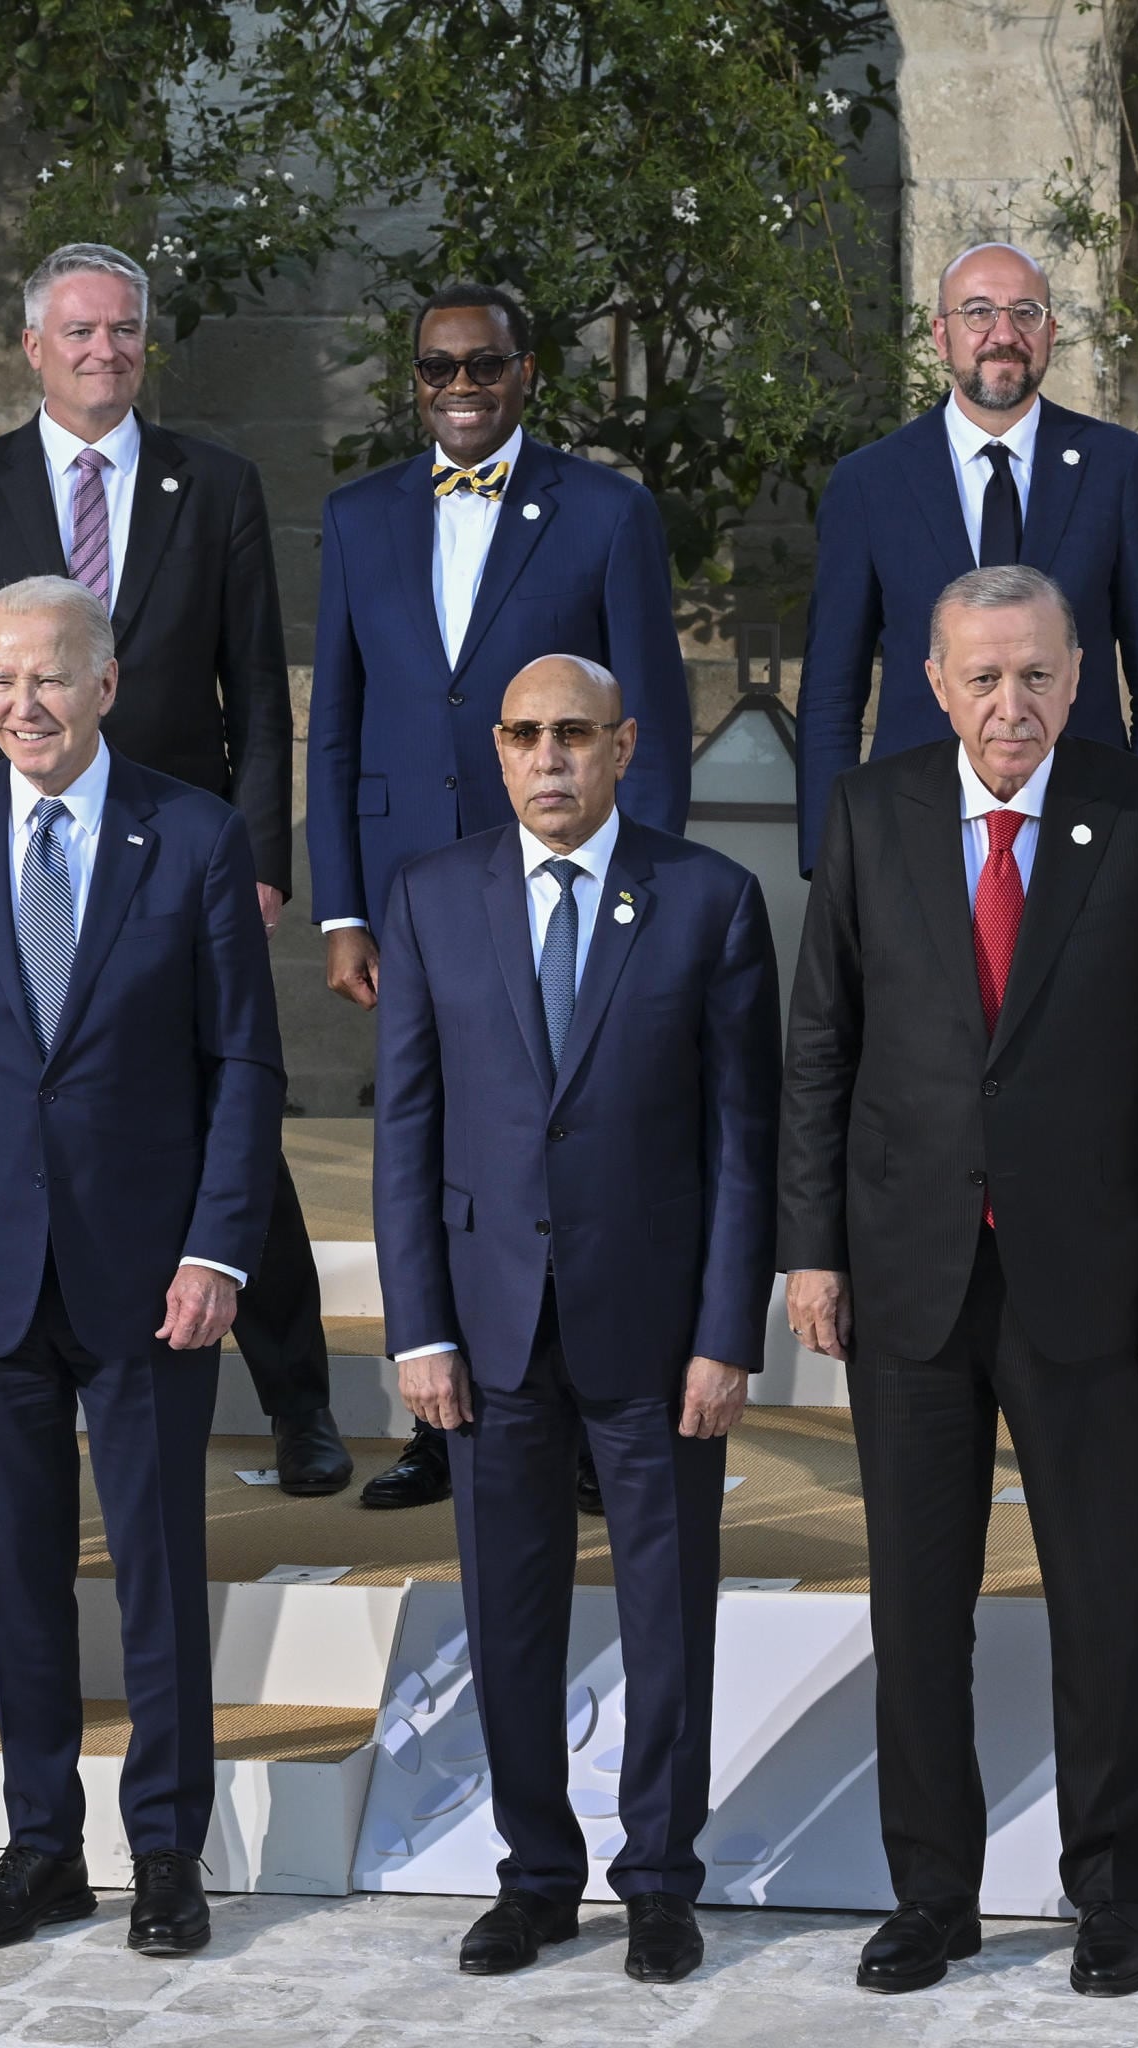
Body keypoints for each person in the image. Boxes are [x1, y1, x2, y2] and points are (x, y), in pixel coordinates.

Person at [780, 565, 1138, 2000]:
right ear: (936, 682)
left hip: (1090, 1277)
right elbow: (822, 1047)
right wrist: (814, 1243)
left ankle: (1113, 1898)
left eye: (1037, 676)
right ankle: (932, 1897)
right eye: (983, 676)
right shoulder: (869, 812)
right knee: (919, 1605)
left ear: (1078, 680)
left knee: (1105, 1600)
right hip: (908, 1271)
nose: (1010, 704)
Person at [0, 574, 283, 1960]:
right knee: (14, 1573)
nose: (22, 704)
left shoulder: (198, 836)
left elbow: (242, 1068)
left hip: (151, 1272)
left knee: (158, 1570)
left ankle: (166, 1853)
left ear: (106, 682)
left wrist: (221, 1246)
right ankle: (41, 1844)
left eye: (48, 676)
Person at [0, 240, 348, 1499]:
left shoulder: (218, 486)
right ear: (32, 348)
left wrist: (258, 855)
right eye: (78, 333)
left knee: (221, 1121)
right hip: (12, 864)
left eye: (124, 332)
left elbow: (256, 685)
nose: (104, 352)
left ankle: (298, 1393)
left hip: (178, 869)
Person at [372, 655, 780, 1985]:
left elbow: (741, 1141)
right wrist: (418, 1330)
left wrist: (729, 1335)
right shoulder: (435, 900)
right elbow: (408, 1135)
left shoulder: (708, 900)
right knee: (509, 1615)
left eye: (576, 736)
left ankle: (660, 1878)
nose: (550, 758)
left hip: (658, 1336)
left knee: (669, 1613)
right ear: (499, 750)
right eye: (527, 736)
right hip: (488, 1337)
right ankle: (536, 1876)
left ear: (623, 747)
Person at [308, 278, 693, 1511]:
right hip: (419, 892)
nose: (461, 390)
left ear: (528, 374)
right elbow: (341, 724)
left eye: (484, 368)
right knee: (436, 1136)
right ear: (411, 379)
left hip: (574, 882)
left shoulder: (607, 513)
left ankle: (585, 1412)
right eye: (438, 369)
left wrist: (656, 893)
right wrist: (343, 906)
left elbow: (659, 720)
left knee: (570, 1130)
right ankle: (443, 1412)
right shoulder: (359, 516)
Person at [795, 241, 1138, 875]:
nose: (1003, 334)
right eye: (978, 312)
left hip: (1091, 824)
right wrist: (828, 859)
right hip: (910, 831)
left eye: (1026, 313)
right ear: (940, 334)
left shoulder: (1118, 468)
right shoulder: (869, 482)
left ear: (1051, 332)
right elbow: (830, 693)